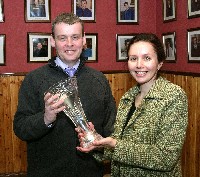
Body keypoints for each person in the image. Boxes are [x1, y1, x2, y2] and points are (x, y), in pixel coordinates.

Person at [13, 12, 117, 177]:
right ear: (53, 41)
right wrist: (45, 118)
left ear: (84, 40)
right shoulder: (34, 79)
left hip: (89, 172)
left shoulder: (99, 80)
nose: (69, 44)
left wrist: (100, 142)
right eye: (62, 38)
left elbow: (112, 128)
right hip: (46, 172)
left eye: (75, 37)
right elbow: (20, 128)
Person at [76, 33, 188, 177]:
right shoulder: (128, 98)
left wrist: (115, 145)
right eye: (133, 58)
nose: (139, 65)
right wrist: (97, 143)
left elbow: (166, 159)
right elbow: (116, 148)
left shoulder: (173, 96)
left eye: (147, 58)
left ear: (160, 63)